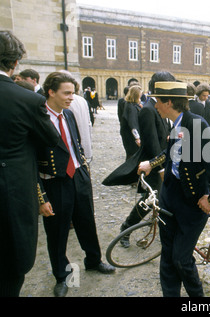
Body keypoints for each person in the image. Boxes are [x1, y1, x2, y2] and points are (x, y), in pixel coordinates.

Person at [137, 80, 210, 297]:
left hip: (192, 203)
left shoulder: (195, 125)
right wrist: (151, 164)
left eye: (157, 101)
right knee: (168, 256)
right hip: (170, 197)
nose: (155, 106)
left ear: (169, 102)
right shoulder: (175, 122)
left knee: (181, 258)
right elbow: (171, 154)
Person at [37, 72, 115, 297]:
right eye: (67, 93)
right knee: (58, 230)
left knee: (86, 221)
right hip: (55, 181)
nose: (72, 97)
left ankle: (93, 260)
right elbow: (31, 159)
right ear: (51, 92)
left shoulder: (69, 114)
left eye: (73, 92)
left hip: (78, 175)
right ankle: (62, 276)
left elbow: (75, 143)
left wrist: (83, 166)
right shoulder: (38, 118)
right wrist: (41, 197)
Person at [0, 30, 60, 297]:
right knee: (11, 271)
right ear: (15, 63)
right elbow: (51, 138)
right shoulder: (26, 99)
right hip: (11, 193)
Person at [103, 71, 173, 247]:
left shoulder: (160, 106)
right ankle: (126, 228)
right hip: (153, 164)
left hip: (161, 161)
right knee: (149, 200)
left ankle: (161, 225)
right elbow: (150, 145)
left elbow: (161, 134)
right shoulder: (149, 110)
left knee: (161, 198)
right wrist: (161, 168)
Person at [121, 85, 142, 160]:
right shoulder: (131, 107)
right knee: (132, 157)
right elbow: (133, 124)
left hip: (128, 135)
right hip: (131, 137)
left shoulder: (130, 104)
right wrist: (137, 138)